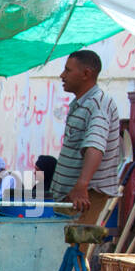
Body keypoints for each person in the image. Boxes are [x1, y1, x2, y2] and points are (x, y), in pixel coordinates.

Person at [50, 49, 121, 217]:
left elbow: (95, 147)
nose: (62, 75)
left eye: (68, 70)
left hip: (83, 198)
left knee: (73, 242)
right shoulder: (82, 103)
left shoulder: (98, 104)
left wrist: (81, 186)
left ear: (86, 74)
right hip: (71, 195)